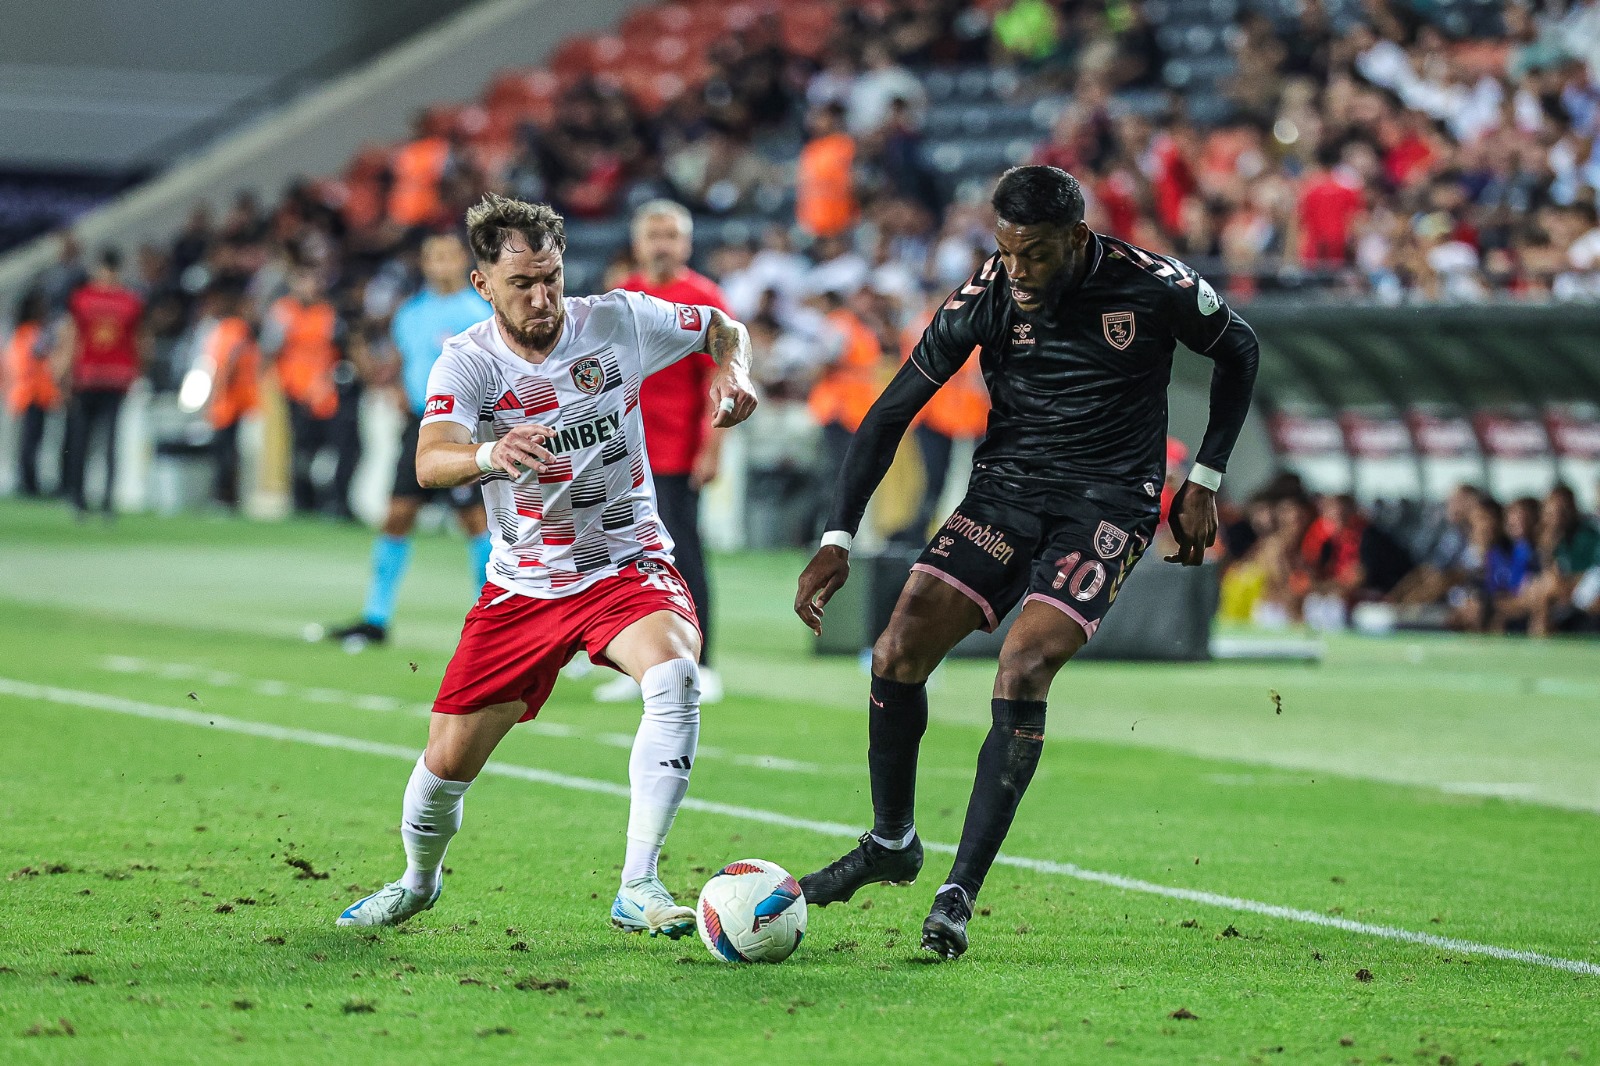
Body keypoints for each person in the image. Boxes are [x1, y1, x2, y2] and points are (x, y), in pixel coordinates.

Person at [792, 166, 1259, 960]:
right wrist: (839, 535)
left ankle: (957, 893)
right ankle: (893, 842)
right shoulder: (987, 296)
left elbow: (1239, 350)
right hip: (1004, 493)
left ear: (1078, 239)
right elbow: (892, 411)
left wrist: (1203, 478)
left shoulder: (1153, 284)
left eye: (1035, 255)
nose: (1019, 273)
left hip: (1107, 505)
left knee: (1022, 665)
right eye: (1006, 253)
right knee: (896, 649)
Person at [336, 194, 756, 935]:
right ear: (482, 284)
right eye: (522, 284)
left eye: (552, 279)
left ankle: (639, 883)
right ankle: (417, 880)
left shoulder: (619, 320)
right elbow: (430, 460)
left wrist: (733, 373)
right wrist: (490, 453)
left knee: (675, 675)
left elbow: (724, 330)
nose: (542, 298)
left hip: (626, 565)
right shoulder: (467, 361)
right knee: (442, 768)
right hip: (524, 586)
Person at [593, 200, 732, 704]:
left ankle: (704, 661)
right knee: (619, 560)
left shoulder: (704, 298)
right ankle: (636, 665)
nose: (661, 243)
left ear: (686, 243)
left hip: (675, 453)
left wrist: (712, 447)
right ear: (638, 242)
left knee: (684, 556)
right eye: (653, 234)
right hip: (621, 457)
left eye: (670, 235)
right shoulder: (622, 297)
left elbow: (722, 379)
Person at [325, 235, 491, 648]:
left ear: (462, 262)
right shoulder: (412, 312)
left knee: (476, 523)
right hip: (419, 425)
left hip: (463, 427)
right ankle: (376, 618)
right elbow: (397, 366)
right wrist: (373, 360)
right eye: (434, 256)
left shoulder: (478, 312)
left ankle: (489, 621)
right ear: (425, 262)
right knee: (397, 516)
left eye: (448, 255)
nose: (441, 264)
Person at [57, 248, 145, 519]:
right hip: (116, 377)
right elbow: (140, 341)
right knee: (109, 441)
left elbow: (73, 336)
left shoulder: (83, 298)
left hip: (88, 376)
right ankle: (106, 503)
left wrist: (63, 371)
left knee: (82, 440)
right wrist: (137, 371)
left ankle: (80, 500)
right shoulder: (130, 301)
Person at [262, 266, 348, 516]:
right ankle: (301, 501)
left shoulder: (328, 312)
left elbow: (338, 349)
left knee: (329, 450)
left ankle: (329, 501)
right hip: (295, 391)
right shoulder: (283, 312)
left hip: (325, 392)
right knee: (301, 449)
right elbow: (269, 350)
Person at [4, 288, 61, 497]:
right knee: (31, 441)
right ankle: (29, 482)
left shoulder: (21, 332)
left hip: (29, 394)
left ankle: (27, 480)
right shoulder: (31, 332)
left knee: (30, 441)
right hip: (32, 394)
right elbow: (38, 355)